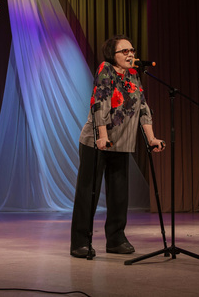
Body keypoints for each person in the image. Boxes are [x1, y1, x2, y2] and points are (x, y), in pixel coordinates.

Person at [70, 35, 165, 258]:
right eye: (125, 51)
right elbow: (100, 102)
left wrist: (151, 138)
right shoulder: (106, 69)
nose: (130, 54)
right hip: (97, 142)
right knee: (88, 192)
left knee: (119, 194)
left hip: (122, 143)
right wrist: (102, 136)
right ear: (113, 55)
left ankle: (116, 239)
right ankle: (80, 242)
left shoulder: (134, 74)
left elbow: (143, 107)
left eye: (132, 50)